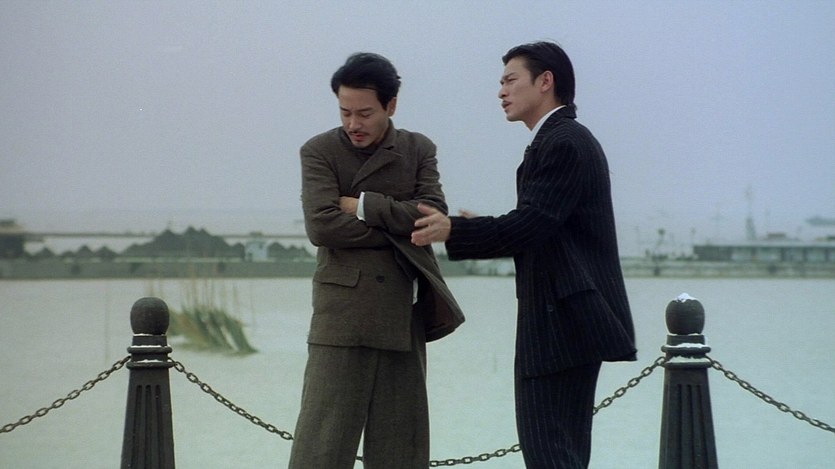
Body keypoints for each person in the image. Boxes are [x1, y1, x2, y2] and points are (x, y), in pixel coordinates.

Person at [411, 41, 637, 468]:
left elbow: (533, 225)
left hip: (560, 322)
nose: (501, 92)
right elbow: (545, 226)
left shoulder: (563, 142)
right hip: (567, 318)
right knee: (562, 451)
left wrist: (455, 230)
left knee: (549, 451)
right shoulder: (560, 139)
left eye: (510, 80)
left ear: (545, 81)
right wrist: (479, 227)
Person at [289, 52, 465, 469]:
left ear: (391, 105)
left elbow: (430, 215)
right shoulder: (319, 151)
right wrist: (398, 230)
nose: (354, 124)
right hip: (340, 319)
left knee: (401, 451)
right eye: (345, 112)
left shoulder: (418, 149)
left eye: (365, 113)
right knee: (321, 450)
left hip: (403, 317)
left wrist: (363, 205)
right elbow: (323, 227)